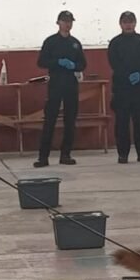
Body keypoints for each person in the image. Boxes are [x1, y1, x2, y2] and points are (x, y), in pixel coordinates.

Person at [35, 10, 87, 168]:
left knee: (70, 121)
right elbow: (41, 61)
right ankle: (43, 157)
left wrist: (74, 66)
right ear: (58, 23)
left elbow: (82, 64)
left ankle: (66, 154)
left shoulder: (75, 43)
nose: (67, 24)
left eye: (70, 21)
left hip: (71, 84)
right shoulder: (51, 42)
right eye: (64, 21)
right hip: (56, 84)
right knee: (49, 121)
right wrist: (57, 62)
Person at [107, 11, 140, 164]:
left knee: (139, 122)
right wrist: (126, 75)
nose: (128, 24)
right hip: (122, 88)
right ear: (120, 24)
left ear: (135, 23)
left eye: (131, 21)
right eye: (125, 22)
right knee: (122, 123)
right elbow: (113, 62)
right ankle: (123, 154)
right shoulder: (115, 43)